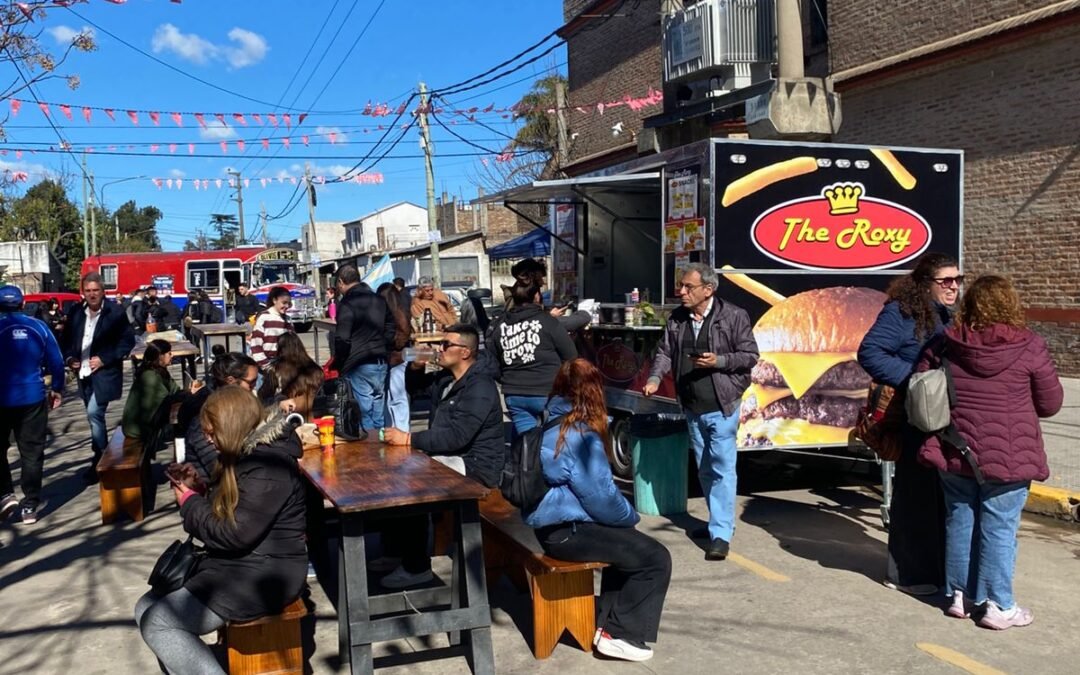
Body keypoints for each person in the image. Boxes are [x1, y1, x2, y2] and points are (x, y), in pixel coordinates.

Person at [915, 275, 1062, 628]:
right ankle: (998, 606)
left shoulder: (944, 343)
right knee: (999, 528)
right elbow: (1051, 403)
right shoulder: (1030, 345)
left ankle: (959, 596)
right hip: (1009, 455)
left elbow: (921, 385)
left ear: (969, 305)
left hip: (955, 448)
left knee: (960, 519)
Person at [135, 386, 307, 674]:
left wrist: (190, 502)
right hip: (239, 564)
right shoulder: (246, 455)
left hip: (266, 573)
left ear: (231, 426)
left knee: (159, 622)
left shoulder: (268, 466)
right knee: (146, 607)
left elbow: (233, 533)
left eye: (212, 432)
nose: (207, 438)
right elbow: (235, 511)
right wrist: (199, 488)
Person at [525, 359, 670, 662]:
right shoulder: (579, 435)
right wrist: (631, 516)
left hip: (550, 526)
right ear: (593, 392)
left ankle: (606, 625)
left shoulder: (550, 419)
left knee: (626, 544)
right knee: (655, 558)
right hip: (567, 532)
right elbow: (601, 499)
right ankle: (620, 634)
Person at [857, 251, 960, 596]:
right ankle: (908, 575)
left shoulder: (948, 313)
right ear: (925, 283)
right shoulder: (901, 312)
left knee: (937, 496)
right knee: (915, 495)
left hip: (940, 417)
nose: (954, 286)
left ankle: (935, 571)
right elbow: (870, 352)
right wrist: (917, 382)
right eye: (946, 280)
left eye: (958, 280)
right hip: (916, 415)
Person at [643, 263, 758, 561]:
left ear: (708, 290)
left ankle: (721, 534)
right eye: (681, 286)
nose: (681, 291)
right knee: (705, 469)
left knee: (722, 468)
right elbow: (665, 352)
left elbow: (750, 356)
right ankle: (716, 522)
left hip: (722, 405)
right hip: (693, 406)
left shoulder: (733, 316)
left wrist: (719, 361)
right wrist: (655, 378)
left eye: (688, 287)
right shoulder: (678, 318)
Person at [382, 324, 504, 588]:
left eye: (446, 345)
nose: (440, 349)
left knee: (413, 482)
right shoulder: (447, 379)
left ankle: (417, 567)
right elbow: (415, 389)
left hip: (475, 465)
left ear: (465, 352)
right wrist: (416, 365)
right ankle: (396, 551)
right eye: (440, 344)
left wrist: (409, 439)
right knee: (394, 473)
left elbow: (457, 437)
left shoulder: (480, 387)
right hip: (450, 457)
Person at [0, 286, 64, 525]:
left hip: (2, 397)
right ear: (23, 303)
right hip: (32, 397)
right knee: (32, 452)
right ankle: (30, 505)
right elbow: (56, 361)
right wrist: (57, 388)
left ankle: (5, 494)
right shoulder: (39, 327)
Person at [64, 272, 136, 483]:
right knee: (93, 417)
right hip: (83, 373)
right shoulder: (76, 312)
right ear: (83, 292)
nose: (92, 294)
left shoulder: (115, 312)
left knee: (94, 412)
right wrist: (70, 358)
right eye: (88, 291)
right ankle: (101, 457)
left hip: (105, 374)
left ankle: (102, 459)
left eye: (96, 290)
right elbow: (66, 339)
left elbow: (127, 341)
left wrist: (105, 359)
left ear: (103, 291)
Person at [488, 280, 578, 434]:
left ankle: (527, 450)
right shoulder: (548, 322)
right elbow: (571, 357)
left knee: (528, 441)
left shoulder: (499, 325)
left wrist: (508, 379)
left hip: (514, 394)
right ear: (536, 296)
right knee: (556, 440)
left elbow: (492, 362)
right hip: (548, 391)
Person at [178, 353, 260, 482]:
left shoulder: (233, 402)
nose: (255, 387)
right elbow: (216, 466)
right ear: (231, 381)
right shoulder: (203, 411)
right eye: (251, 383)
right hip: (211, 485)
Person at [334, 265, 396, 431]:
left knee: (364, 415)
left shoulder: (348, 303)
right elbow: (391, 326)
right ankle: (380, 442)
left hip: (358, 363)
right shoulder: (379, 299)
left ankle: (370, 444)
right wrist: (383, 344)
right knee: (378, 413)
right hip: (380, 361)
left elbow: (342, 338)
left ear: (341, 282)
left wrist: (340, 361)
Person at [121, 339, 200, 446]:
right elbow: (168, 401)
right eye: (169, 353)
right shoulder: (150, 376)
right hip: (138, 429)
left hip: (144, 424)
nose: (172, 355)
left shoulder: (160, 371)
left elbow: (175, 392)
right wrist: (189, 393)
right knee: (188, 419)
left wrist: (189, 390)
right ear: (160, 356)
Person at [257, 332, 324, 418]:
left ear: (280, 349)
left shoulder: (275, 370)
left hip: (287, 417)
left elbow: (263, 396)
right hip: (314, 417)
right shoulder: (316, 369)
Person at [377, 282, 412, 432]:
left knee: (390, 397)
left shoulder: (384, 314)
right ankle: (401, 429)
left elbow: (400, 338)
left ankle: (394, 429)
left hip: (392, 359)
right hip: (399, 359)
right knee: (398, 397)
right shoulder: (402, 312)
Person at [250, 286, 293, 371]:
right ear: (274, 300)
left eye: (289, 303)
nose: (287, 306)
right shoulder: (264, 317)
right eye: (284, 303)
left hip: (284, 364)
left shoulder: (288, 320)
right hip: (267, 364)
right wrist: (266, 366)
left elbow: (292, 343)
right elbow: (256, 345)